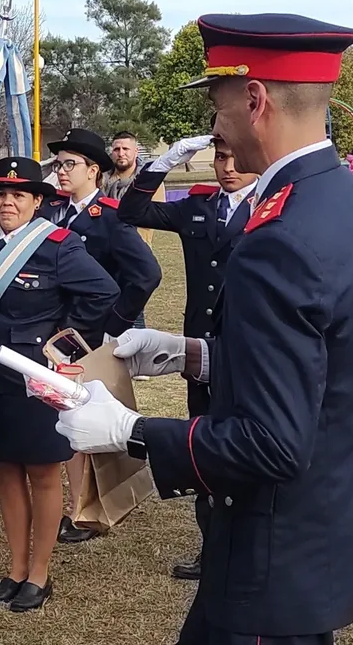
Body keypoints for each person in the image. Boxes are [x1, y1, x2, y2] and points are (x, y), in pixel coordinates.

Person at [55, 13, 353, 645]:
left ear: (254, 99)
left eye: (218, 106)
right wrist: (194, 356)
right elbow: (321, 366)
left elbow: (272, 442)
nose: (215, 127)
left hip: (273, 550)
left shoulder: (281, 236)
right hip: (326, 529)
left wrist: (128, 431)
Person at [0, 156, 119, 612]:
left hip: (36, 377)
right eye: (0, 193)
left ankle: (39, 573)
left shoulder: (57, 245)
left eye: (19, 194)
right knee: (5, 471)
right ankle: (15, 568)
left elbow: (104, 292)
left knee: (41, 472)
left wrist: (64, 352)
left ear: (38, 201)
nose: (7, 202)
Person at [117, 127, 258, 580]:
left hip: (250, 351)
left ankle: (249, 550)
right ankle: (212, 548)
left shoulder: (272, 208)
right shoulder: (199, 208)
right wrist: (162, 162)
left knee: (250, 447)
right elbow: (130, 210)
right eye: (220, 158)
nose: (229, 167)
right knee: (206, 442)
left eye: (237, 158)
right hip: (198, 351)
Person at [38, 127, 162, 544]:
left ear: (94, 170)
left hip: (91, 337)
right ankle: (77, 506)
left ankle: (90, 509)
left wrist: (116, 322)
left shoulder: (110, 216)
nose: (61, 172)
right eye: (58, 164)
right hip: (58, 337)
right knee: (65, 421)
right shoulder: (52, 213)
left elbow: (146, 274)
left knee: (91, 423)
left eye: (69, 164)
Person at [103, 130, 167, 333]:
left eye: (125, 149)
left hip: (134, 255)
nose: (121, 153)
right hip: (104, 255)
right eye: (116, 149)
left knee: (132, 313)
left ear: (136, 151)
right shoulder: (102, 180)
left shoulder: (148, 181)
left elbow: (152, 218)